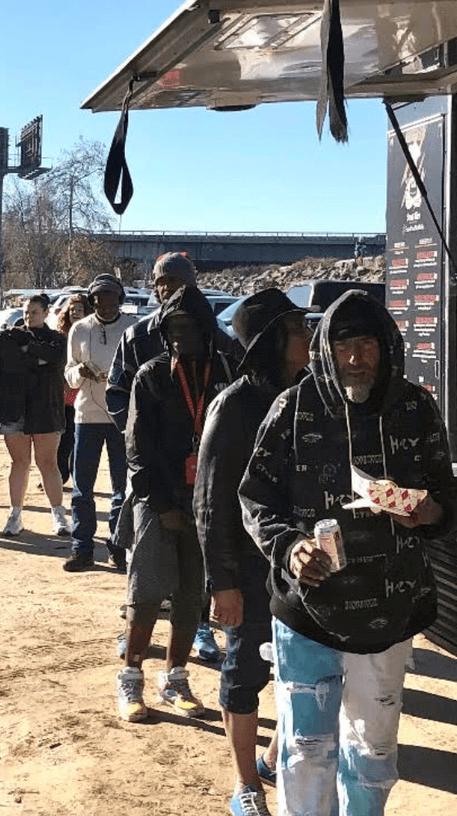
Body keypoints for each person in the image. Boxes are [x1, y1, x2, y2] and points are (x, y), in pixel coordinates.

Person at [239, 290, 457, 816]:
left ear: (388, 347)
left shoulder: (414, 408)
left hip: (389, 613)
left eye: (369, 345)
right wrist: (289, 547)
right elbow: (254, 496)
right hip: (307, 613)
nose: (359, 358)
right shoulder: (293, 408)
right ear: (326, 350)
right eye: (346, 347)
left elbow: (452, 496)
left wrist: (430, 512)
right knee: (307, 751)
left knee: (372, 753)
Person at [194, 288, 311, 816]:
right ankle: (247, 785)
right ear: (271, 342)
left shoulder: (311, 395)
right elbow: (211, 501)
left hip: (304, 566)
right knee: (244, 673)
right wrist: (221, 582)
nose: (309, 339)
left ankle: (269, 756)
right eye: (297, 330)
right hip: (248, 568)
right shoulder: (234, 405)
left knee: (302, 668)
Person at [114, 285, 232, 723]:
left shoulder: (224, 372)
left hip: (205, 504)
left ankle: (175, 679)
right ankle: (130, 680)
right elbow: (137, 450)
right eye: (173, 328)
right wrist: (160, 504)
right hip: (156, 500)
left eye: (189, 327)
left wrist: (213, 503)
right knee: (145, 595)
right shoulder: (150, 376)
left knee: (190, 596)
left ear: (206, 329)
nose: (180, 336)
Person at [63, 275, 138, 572]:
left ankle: (118, 548)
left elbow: (140, 371)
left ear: (119, 301)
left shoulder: (132, 328)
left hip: (122, 417)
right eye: (99, 302)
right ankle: (82, 548)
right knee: (83, 486)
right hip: (86, 417)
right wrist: (81, 371)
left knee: (122, 486)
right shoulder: (80, 329)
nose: (105, 307)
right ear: (92, 302)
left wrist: (118, 380)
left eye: (110, 301)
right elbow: (68, 375)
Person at [0, 293, 71, 538]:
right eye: (26, 312)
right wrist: (35, 357)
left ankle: (58, 513)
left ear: (46, 313)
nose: (29, 316)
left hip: (46, 409)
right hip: (15, 408)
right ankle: (15, 514)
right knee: (19, 463)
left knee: (47, 463)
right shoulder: (9, 336)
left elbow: (56, 359)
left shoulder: (57, 340)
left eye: (34, 312)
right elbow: (10, 362)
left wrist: (29, 348)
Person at [55, 294, 87, 485]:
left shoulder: (91, 333)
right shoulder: (60, 335)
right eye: (72, 310)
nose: (75, 313)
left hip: (84, 394)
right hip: (62, 394)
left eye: (80, 310)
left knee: (80, 440)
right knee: (62, 439)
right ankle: (59, 474)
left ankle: (78, 477)